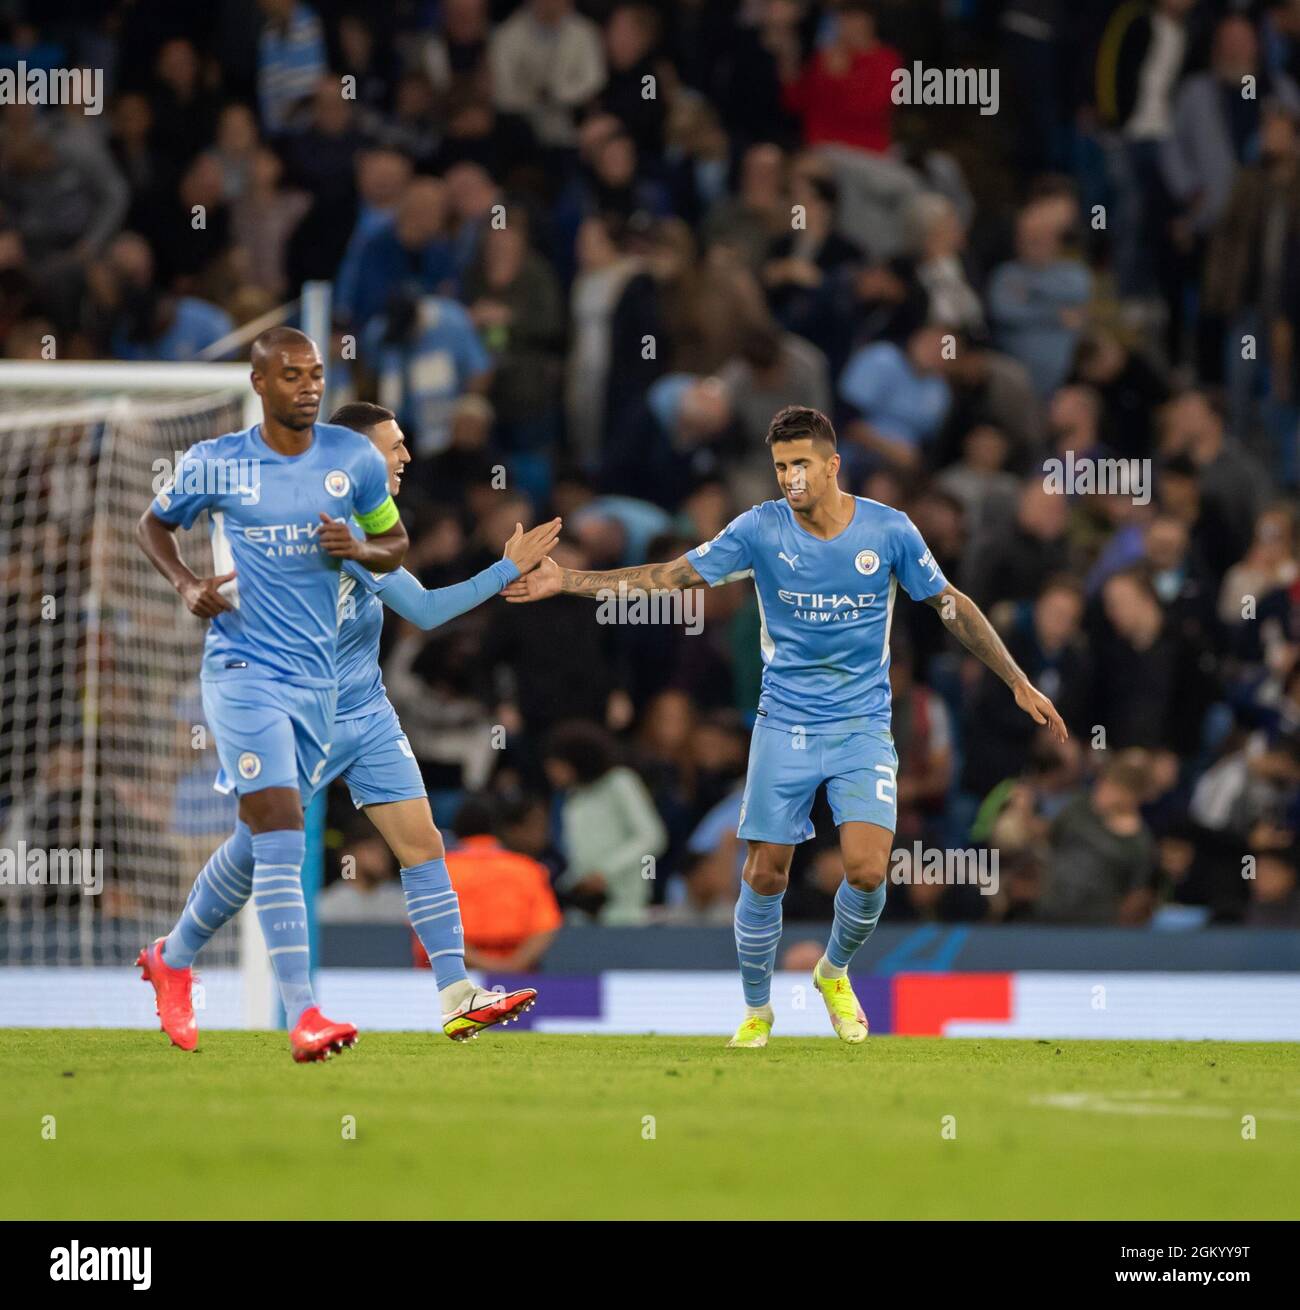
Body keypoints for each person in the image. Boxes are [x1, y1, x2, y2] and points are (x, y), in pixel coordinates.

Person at [504, 405, 1066, 1047]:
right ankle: (755, 1008)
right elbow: (671, 577)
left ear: (832, 465)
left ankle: (833, 971)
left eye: (801, 464)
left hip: (861, 725)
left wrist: (1017, 680)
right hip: (785, 725)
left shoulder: (889, 530)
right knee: (766, 872)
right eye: (779, 467)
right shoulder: (758, 530)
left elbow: (950, 605)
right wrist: (569, 580)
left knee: (867, 870)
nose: (790, 478)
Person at [146, 398, 560, 1044]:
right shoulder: (292, 526)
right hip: (292, 710)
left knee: (422, 844)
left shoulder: (366, 530)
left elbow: (422, 609)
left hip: (364, 713)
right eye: (394, 445)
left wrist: (507, 568)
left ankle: (456, 993)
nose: (406, 456)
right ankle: (173, 958)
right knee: (256, 851)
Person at [133, 326, 407, 1062]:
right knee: (283, 822)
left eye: (316, 374)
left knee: (262, 838)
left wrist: (361, 549)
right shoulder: (217, 463)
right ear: (259, 383)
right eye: (291, 375)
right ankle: (306, 1014)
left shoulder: (353, 459)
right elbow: (153, 526)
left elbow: (397, 543)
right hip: (244, 671)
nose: (309, 387)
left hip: (320, 683)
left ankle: (173, 955)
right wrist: (189, 583)